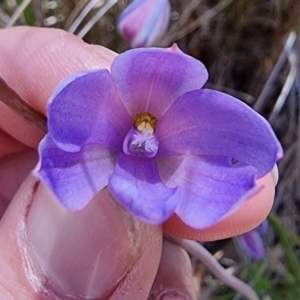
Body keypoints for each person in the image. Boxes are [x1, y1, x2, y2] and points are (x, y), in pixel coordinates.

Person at [0, 27, 276, 299]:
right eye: (142, 125)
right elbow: (63, 124)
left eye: (148, 126)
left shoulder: (172, 165)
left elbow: (235, 174)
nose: (144, 128)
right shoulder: (81, 107)